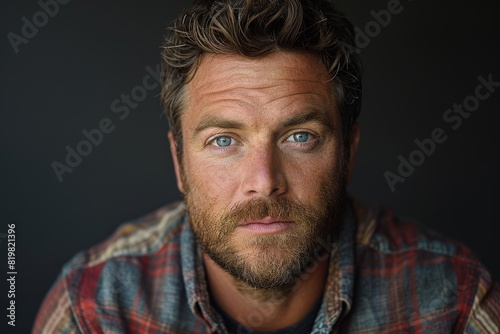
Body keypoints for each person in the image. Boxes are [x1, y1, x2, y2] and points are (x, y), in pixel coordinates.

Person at [33, 0, 500, 333]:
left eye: (300, 137)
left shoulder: (452, 300)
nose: (263, 181)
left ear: (349, 152)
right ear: (179, 161)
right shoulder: (94, 307)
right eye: (223, 140)